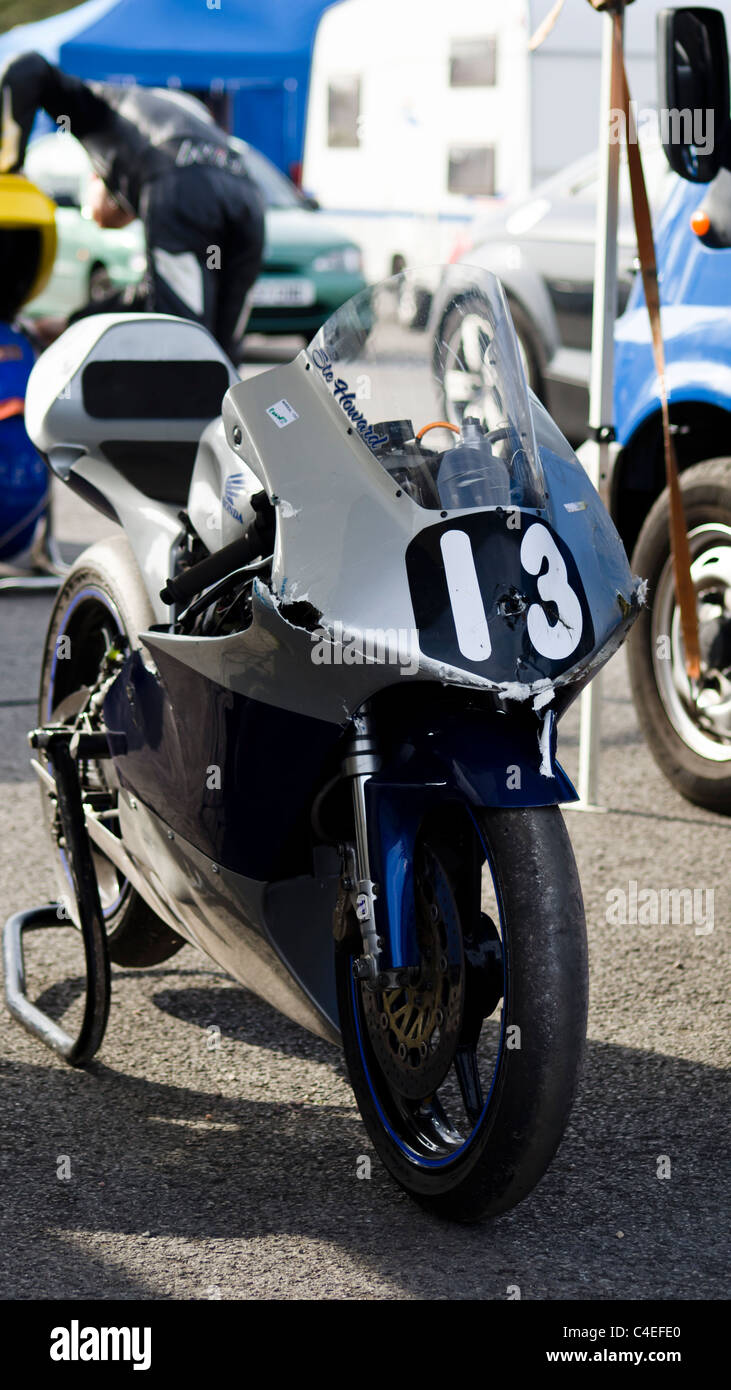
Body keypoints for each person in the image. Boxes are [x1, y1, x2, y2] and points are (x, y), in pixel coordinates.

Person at [0, 52, 265, 359]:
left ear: (97, 176)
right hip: (247, 190)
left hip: (178, 178)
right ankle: (222, 405)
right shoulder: (140, 139)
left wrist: (9, 164)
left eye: (90, 213)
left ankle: (181, 400)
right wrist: (72, 323)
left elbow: (28, 67)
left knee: (180, 332)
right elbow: (150, 291)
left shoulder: (93, 108)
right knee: (219, 345)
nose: (96, 221)